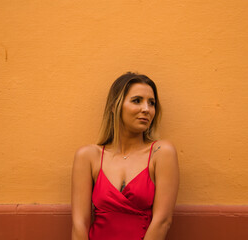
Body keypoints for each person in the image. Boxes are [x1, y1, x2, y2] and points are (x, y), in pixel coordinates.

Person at [71, 72, 179, 240]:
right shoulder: (88, 156)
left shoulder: (161, 153)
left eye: (152, 103)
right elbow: (79, 224)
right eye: (137, 100)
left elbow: (162, 221)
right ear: (115, 106)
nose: (146, 109)